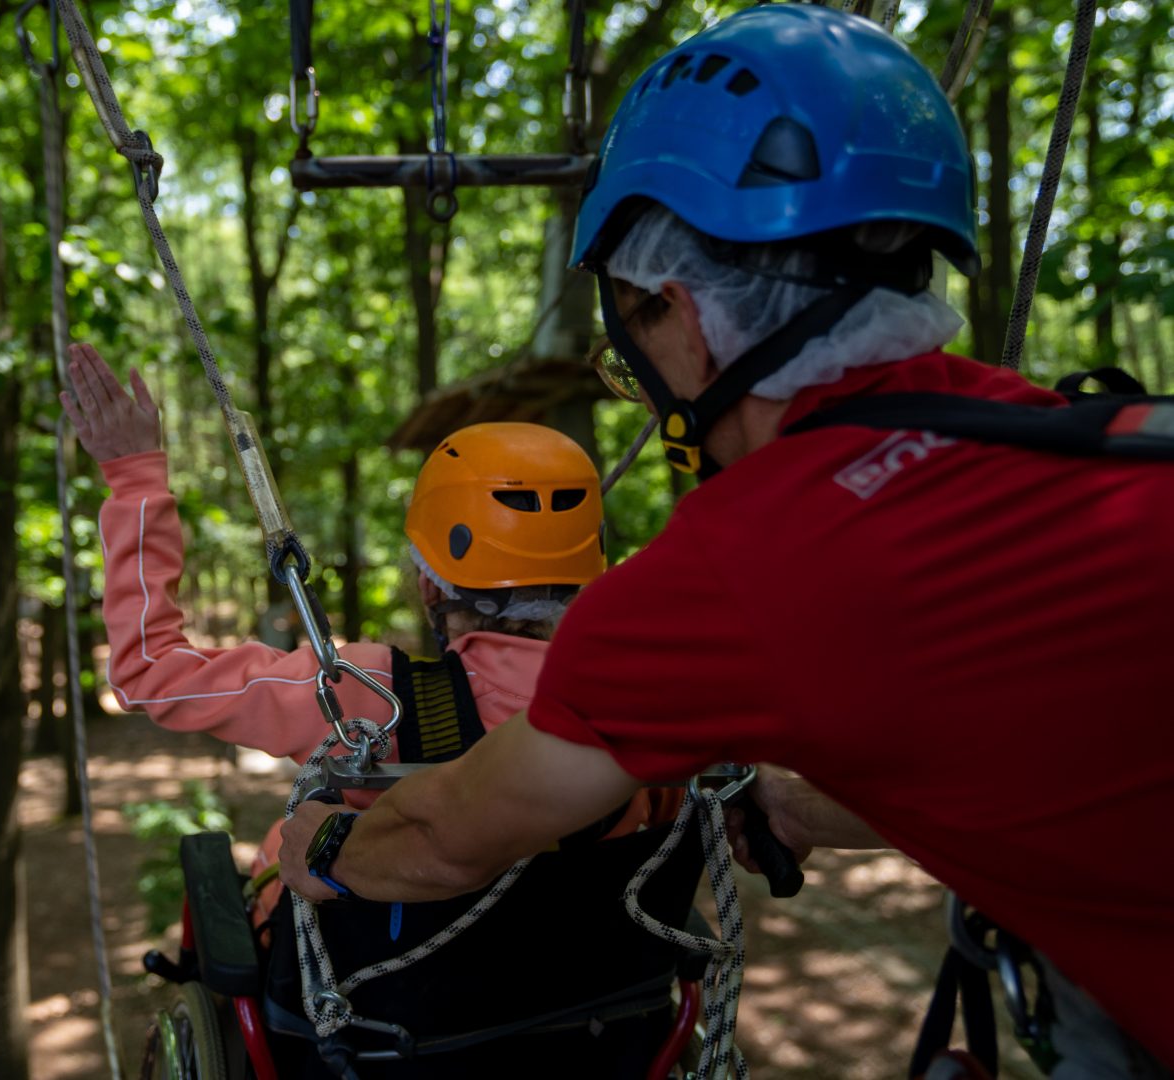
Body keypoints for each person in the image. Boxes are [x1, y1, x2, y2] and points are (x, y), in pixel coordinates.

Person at [278, 6, 1174, 1077]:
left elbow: (442, 838)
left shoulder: (727, 579)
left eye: (628, 328)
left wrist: (325, 843)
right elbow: (1040, 745)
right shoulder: (1044, 432)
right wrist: (799, 805)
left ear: (676, 313)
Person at [59, 344, 695, 1076]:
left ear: (429, 584)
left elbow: (149, 672)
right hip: (585, 1033)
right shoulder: (655, 708)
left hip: (364, 1041)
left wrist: (133, 474)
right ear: (593, 562)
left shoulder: (367, 695)